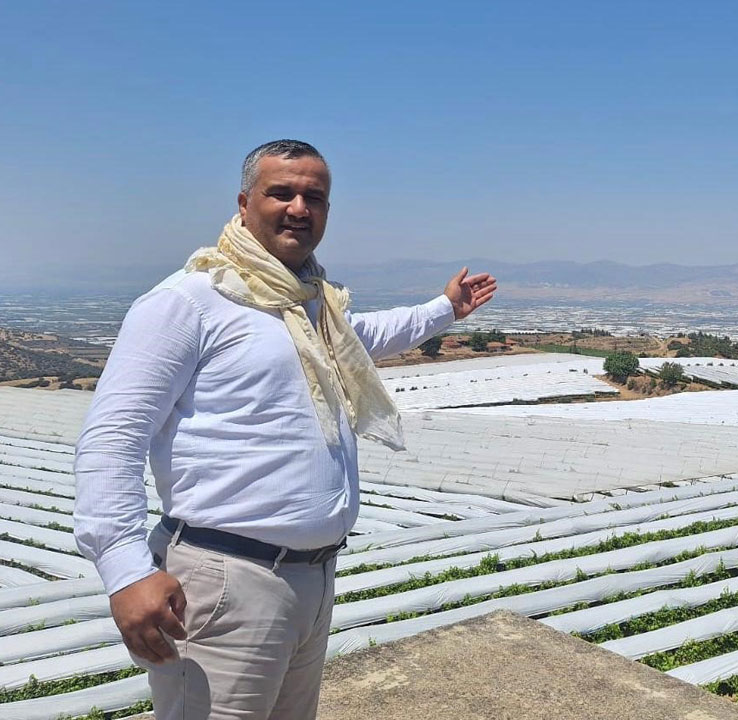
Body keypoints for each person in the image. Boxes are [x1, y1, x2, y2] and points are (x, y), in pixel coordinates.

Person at [73, 139, 497, 720]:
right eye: (282, 192)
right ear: (245, 202)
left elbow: (366, 337)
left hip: (311, 581)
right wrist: (125, 572)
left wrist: (444, 308)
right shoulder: (189, 301)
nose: (300, 207)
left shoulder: (312, 307)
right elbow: (112, 439)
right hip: (224, 583)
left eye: (314, 197)